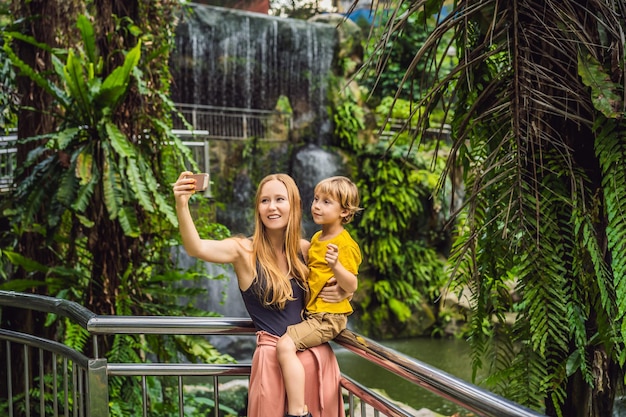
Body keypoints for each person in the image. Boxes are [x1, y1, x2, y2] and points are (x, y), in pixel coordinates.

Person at [172, 171, 348, 417]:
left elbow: (340, 284)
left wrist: (342, 291)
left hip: (317, 361)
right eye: (265, 200)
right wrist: (182, 204)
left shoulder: (307, 250)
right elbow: (196, 247)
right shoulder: (244, 251)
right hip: (272, 365)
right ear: (257, 208)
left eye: (279, 199)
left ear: (294, 205)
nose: (272, 207)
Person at [277, 176, 362, 417]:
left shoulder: (344, 244)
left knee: (285, 346)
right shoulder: (316, 238)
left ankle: (298, 412)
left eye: (326, 202)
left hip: (328, 318)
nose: (317, 206)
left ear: (344, 211)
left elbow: (351, 282)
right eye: (316, 199)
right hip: (314, 314)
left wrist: (336, 267)